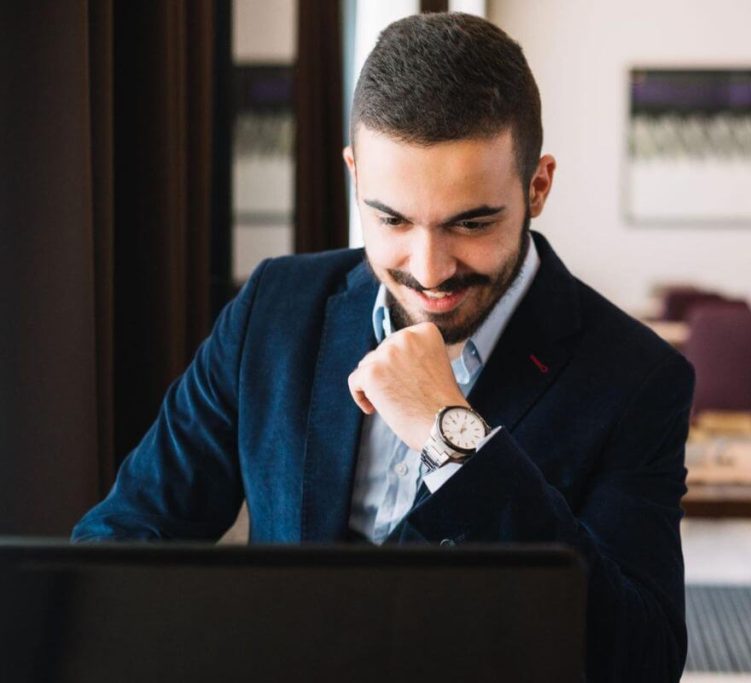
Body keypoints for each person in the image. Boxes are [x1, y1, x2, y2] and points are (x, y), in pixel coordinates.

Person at [73, 12, 694, 681]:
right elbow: (120, 541)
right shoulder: (273, 309)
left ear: (537, 187)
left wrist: (453, 438)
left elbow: (641, 659)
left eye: (472, 223)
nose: (429, 271)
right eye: (392, 218)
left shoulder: (637, 378)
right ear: (354, 175)